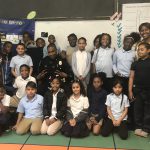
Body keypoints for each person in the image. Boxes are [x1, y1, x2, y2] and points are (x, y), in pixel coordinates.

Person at [129, 42, 150, 138]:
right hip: (137, 90)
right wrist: (130, 91)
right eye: (138, 49)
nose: (139, 51)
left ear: (148, 50)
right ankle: (138, 127)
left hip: (148, 90)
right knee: (137, 109)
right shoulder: (135, 63)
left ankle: (146, 128)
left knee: (147, 110)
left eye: (142, 49)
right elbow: (131, 77)